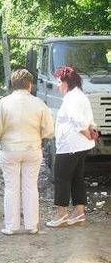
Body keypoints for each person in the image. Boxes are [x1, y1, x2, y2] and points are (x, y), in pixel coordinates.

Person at [0, 69, 54, 235]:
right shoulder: (39, 103)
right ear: (30, 85)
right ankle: (32, 225)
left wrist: (4, 137)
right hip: (32, 149)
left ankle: (11, 226)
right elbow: (49, 131)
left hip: (10, 150)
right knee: (31, 187)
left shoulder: (4, 103)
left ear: (12, 85)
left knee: (11, 187)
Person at [46, 66, 96, 228]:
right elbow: (88, 119)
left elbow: (77, 119)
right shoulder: (81, 95)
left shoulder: (71, 98)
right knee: (76, 178)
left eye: (59, 82)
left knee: (62, 178)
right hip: (80, 146)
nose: (57, 85)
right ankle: (79, 212)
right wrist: (89, 133)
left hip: (70, 146)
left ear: (67, 82)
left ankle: (61, 214)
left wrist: (86, 133)